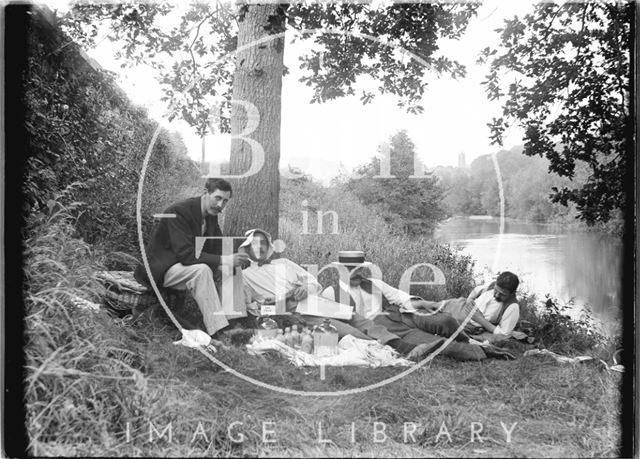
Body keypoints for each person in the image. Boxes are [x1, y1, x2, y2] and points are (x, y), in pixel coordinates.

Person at [239, 229, 444, 361]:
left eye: (263, 243)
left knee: (359, 319)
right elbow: (253, 308)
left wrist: (304, 289)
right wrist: (273, 304)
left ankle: (403, 346)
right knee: (344, 328)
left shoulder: (284, 263)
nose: (260, 247)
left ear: (268, 246)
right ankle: (394, 352)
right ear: (247, 249)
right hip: (290, 310)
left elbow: (314, 282)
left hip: (313, 301)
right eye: (255, 245)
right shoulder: (245, 275)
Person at [321, 251, 515, 360]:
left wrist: (425, 303)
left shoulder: (374, 283)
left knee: (444, 320)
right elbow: (337, 324)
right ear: (340, 270)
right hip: (378, 327)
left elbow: (399, 297)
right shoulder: (330, 294)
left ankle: (470, 340)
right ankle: (482, 351)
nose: (357, 273)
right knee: (428, 340)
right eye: (351, 269)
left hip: (398, 314)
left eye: (360, 269)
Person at [134, 178, 250, 338]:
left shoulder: (210, 214)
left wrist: (237, 259)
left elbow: (217, 245)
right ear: (205, 193)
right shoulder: (178, 212)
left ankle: (235, 323)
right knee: (201, 270)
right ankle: (218, 331)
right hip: (160, 270)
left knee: (232, 268)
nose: (220, 205)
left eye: (225, 201)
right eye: (217, 198)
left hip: (182, 266)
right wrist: (224, 260)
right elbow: (187, 255)